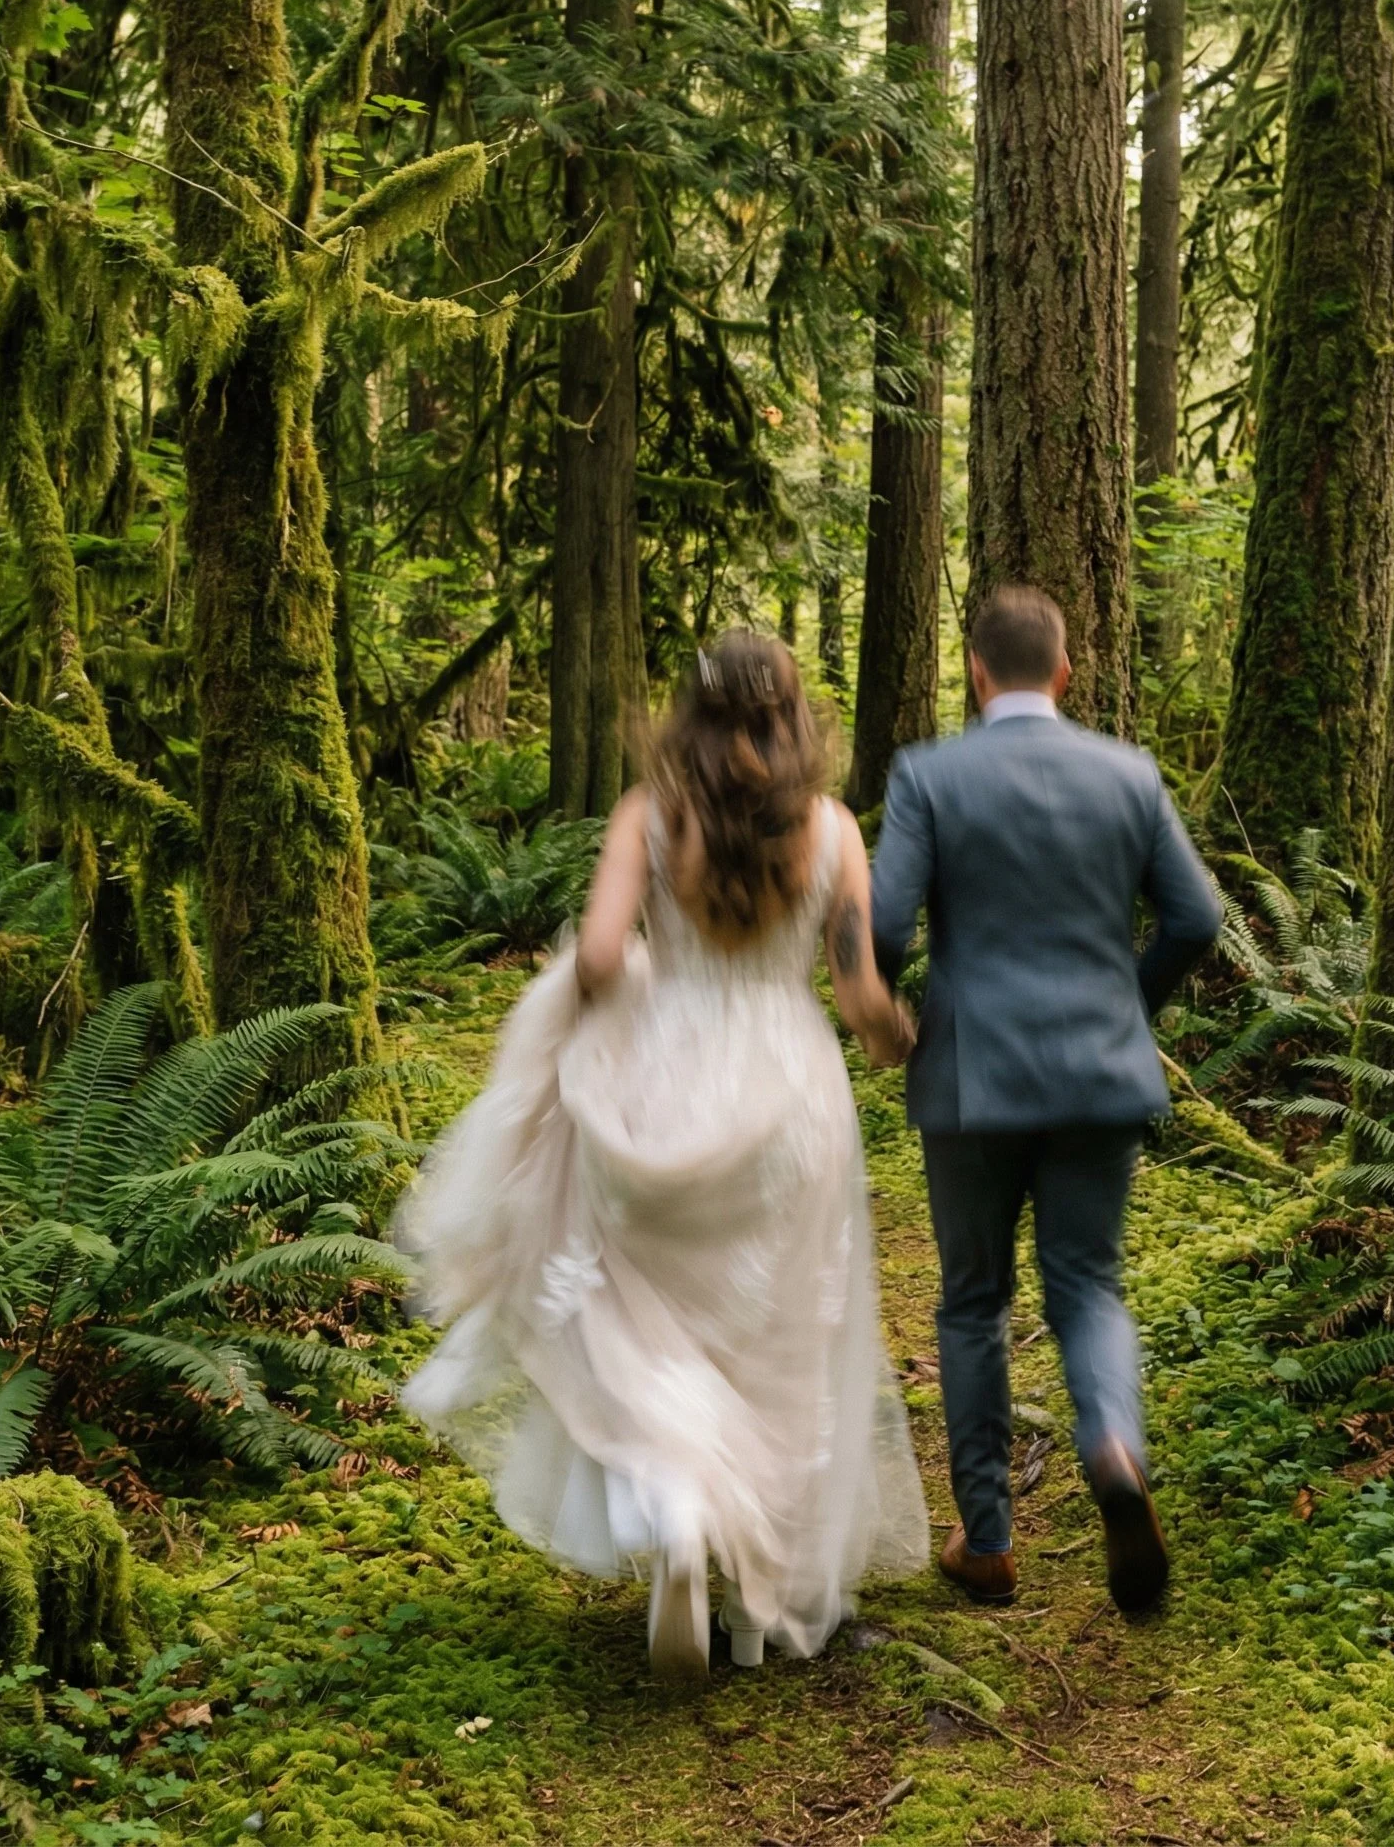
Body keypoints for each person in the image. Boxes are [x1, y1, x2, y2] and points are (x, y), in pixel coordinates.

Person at [399, 633, 928, 1680]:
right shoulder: (829, 832)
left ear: (687, 712)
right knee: (780, 1340)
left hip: (662, 1089)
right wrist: (898, 1039)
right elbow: (861, 992)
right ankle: (753, 1611)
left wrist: (625, 988)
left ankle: (679, 1508)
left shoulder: (649, 815)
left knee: (657, 1328)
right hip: (789, 1097)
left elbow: (598, 956)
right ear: (792, 716)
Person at [870, 584, 1222, 1615]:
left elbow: (885, 931)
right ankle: (1112, 1443)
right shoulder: (1127, 774)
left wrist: (894, 1011)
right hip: (1098, 1076)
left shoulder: (929, 776)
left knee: (972, 1304)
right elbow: (1195, 920)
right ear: (1063, 673)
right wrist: (1127, 1007)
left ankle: (986, 1541)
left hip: (971, 1078)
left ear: (976, 673)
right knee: (1088, 1289)